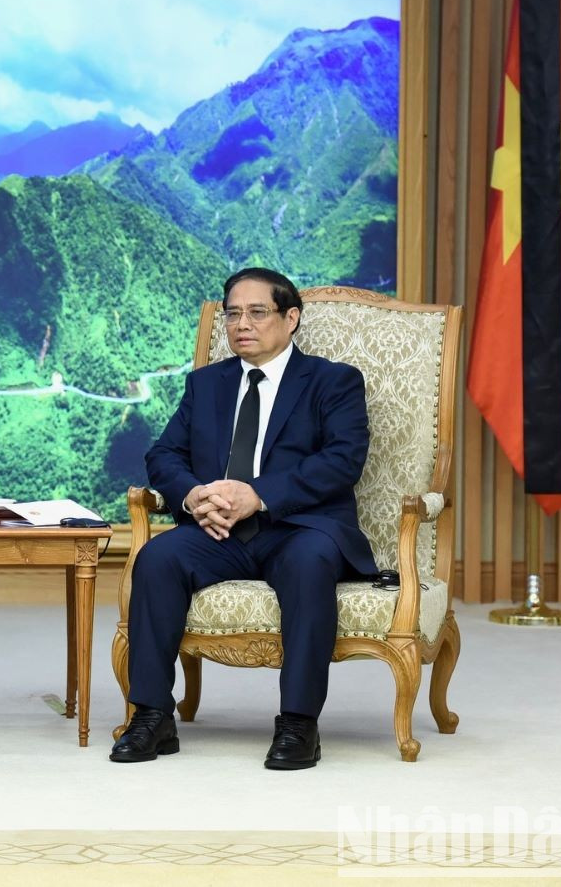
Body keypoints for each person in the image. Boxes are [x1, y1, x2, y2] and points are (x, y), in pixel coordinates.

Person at [112, 267, 377, 770]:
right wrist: (194, 497)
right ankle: (151, 715)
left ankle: (299, 724)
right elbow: (164, 455)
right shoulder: (206, 384)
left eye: (257, 312)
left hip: (299, 529)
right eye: (233, 313)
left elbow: (343, 460)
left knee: (308, 563)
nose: (241, 325)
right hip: (217, 532)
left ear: (291, 318)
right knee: (157, 558)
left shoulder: (333, 381)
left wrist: (258, 495)